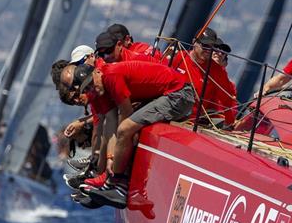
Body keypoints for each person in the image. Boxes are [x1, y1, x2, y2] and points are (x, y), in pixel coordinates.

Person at [62, 59, 195, 212]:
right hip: (165, 95)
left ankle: (118, 185)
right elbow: (109, 126)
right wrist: (111, 158)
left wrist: (114, 163)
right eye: (88, 88)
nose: (93, 88)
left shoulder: (111, 76)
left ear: (97, 72)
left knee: (125, 129)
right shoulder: (100, 88)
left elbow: (125, 117)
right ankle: (110, 184)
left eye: (92, 83)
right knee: (121, 130)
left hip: (179, 94)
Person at [172, 28, 237, 126]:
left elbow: (227, 99)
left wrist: (229, 123)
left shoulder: (216, 71)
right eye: (205, 46)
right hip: (167, 110)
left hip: (189, 122)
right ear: (194, 42)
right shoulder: (179, 57)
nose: (208, 50)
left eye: (212, 47)